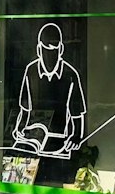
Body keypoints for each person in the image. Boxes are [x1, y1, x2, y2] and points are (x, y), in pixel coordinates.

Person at [13, 23, 87, 158]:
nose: (49, 56)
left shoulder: (71, 74)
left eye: (54, 50)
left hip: (59, 143)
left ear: (61, 50)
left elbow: (77, 114)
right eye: (46, 50)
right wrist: (19, 128)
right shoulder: (31, 70)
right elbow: (24, 108)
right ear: (39, 50)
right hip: (33, 140)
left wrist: (76, 137)